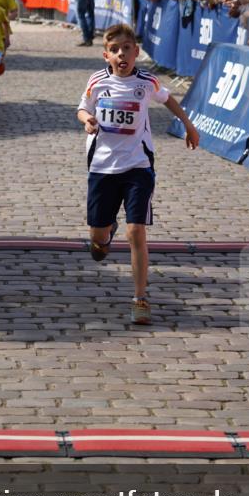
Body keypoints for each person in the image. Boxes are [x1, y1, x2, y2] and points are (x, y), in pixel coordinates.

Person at [77, 23, 200, 325]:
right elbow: (82, 107)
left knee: (136, 231)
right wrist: (87, 119)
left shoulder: (147, 82)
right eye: (115, 50)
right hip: (102, 167)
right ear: (106, 55)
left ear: (136, 52)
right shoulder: (97, 81)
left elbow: (168, 99)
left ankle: (140, 298)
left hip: (138, 166)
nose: (121, 54)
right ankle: (106, 234)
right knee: (97, 239)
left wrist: (188, 125)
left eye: (126, 49)